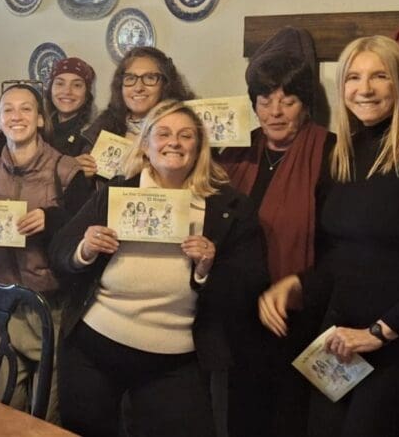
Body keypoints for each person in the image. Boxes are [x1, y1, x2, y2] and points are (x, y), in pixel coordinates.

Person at [259, 36, 399, 437]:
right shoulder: (343, 154)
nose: (364, 89)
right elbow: (340, 256)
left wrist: (380, 332)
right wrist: (296, 285)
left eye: (379, 76)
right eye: (353, 77)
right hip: (340, 336)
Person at [51, 100, 267, 437]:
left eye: (185, 136)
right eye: (163, 134)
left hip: (175, 358)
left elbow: (250, 280)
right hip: (94, 348)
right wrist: (85, 248)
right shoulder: (116, 194)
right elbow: (60, 253)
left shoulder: (229, 206)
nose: (174, 143)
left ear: (199, 148)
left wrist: (207, 268)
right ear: (147, 146)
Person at [0, 82, 91, 422]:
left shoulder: (67, 171)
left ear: (41, 119)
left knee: (48, 413)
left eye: (26, 108)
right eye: (8, 110)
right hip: (2, 307)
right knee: (3, 408)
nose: (17, 116)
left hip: (51, 308)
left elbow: (85, 246)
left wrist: (51, 220)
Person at [217, 53, 335, 437]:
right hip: (240, 314)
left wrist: (301, 284)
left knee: (292, 420)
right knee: (242, 417)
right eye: (265, 100)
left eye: (289, 100)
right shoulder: (235, 150)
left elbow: (339, 245)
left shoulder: (329, 152)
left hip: (299, 315)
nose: (275, 112)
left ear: (306, 105)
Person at [84, 46, 195, 143]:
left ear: (166, 84)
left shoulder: (186, 127)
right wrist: (78, 165)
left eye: (150, 78)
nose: (138, 88)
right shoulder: (103, 127)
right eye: (130, 78)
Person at [44, 57, 99, 178]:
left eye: (77, 85)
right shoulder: (37, 129)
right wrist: (69, 167)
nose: (67, 91)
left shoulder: (96, 133)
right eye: (60, 83)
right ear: (50, 89)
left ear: (87, 93)